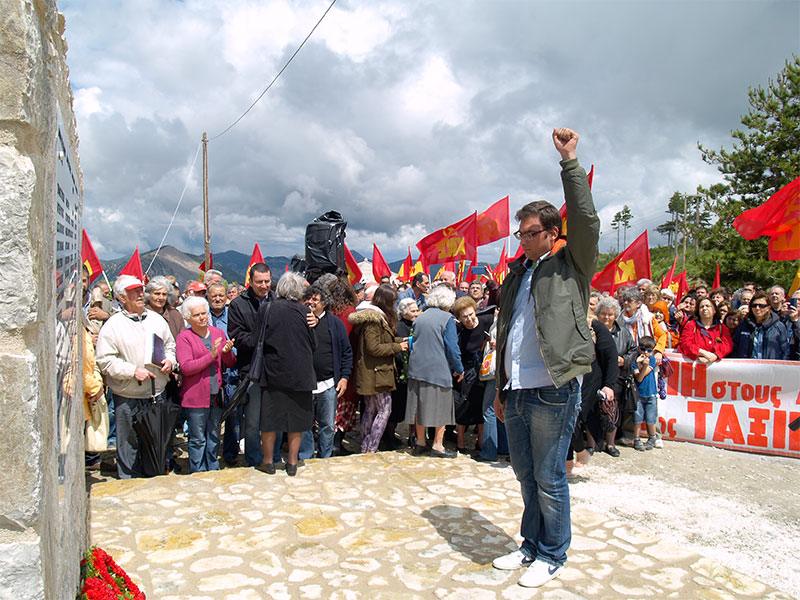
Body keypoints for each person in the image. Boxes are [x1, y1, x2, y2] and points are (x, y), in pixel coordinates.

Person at [491, 128, 599, 588]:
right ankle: (530, 545)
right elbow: (509, 331)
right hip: (516, 388)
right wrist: (500, 386)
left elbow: (589, 221)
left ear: (552, 232)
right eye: (520, 232)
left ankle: (553, 554)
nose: (523, 238)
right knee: (524, 474)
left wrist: (569, 161)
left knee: (550, 476)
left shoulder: (571, 263)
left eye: (530, 232)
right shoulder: (518, 271)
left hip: (554, 386)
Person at [95, 275, 176, 479]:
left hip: (156, 394)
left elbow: (170, 346)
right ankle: (128, 484)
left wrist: (170, 361)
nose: (140, 294)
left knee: (154, 443)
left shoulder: (157, 320)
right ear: (122, 297)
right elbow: (105, 360)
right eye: (134, 292)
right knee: (128, 444)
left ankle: (153, 482)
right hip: (127, 396)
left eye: (141, 290)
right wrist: (132, 371)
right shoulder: (113, 326)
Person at [255, 272, 317, 476]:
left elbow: (258, 338)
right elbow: (313, 343)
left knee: (269, 419)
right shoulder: (305, 312)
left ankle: (268, 461)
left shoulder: (267, 308)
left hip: (273, 372)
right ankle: (292, 462)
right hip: (301, 373)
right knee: (296, 421)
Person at [175, 297, 235, 473]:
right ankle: (198, 469)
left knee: (214, 435)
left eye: (204, 313)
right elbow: (186, 367)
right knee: (197, 438)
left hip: (216, 394)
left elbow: (229, 363)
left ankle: (212, 466)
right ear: (188, 318)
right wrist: (211, 355)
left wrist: (226, 352)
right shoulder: (184, 338)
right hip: (195, 396)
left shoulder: (217, 333)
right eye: (197, 315)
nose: (202, 318)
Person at [405, 284, 462, 458]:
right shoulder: (447, 319)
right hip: (438, 369)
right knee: (442, 407)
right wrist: (459, 368)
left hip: (417, 368)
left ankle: (420, 442)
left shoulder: (420, 317)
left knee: (419, 407)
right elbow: (452, 348)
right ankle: (438, 445)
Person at [349, 285, 408, 453]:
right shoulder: (374, 321)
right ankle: (371, 447)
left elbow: (384, 340)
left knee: (370, 410)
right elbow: (373, 348)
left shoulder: (375, 318)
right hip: (376, 372)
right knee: (384, 410)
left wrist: (402, 340)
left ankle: (365, 447)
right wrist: (398, 347)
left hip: (372, 372)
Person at [299, 285, 353, 459]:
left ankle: (325, 456)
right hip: (304, 383)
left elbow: (346, 352)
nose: (311, 302)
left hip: (328, 383)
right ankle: (306, 455)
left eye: (315, 299)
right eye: (308, 299)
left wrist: (344, 377)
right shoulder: (299, 321)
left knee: (328, 424)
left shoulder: (335, 323)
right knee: (305, 424)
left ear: (324, 303)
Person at [228, 262, 274, 467]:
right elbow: (236, 336)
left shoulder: (278, 300)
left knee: (274, 417)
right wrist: (262, 339)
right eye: (259, 282)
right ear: (251, 282)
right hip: (250, 369)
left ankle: (272, 456)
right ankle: (254, 458)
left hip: (275, 368)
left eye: (267, 281)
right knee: (253, 420)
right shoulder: (238, 304)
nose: (264, 285)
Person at [595, 296, 637, 454]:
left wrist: (624, 360)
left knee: (613, 410)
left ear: (616, 315)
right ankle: (594, 442)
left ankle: (610, 444)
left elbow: (633, 351)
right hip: (595, 376)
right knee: (593, 408)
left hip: (617, 377)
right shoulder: (592, 330)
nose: (607, 317)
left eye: (610, 314)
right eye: (604, 314)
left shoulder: (624, 333)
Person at [452, 296, 492, 454]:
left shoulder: (486, 321)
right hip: (466, 373)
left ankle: (480, 442)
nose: (469, 319)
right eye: (464, 317)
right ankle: (460, 442)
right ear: (459, 318)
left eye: (471, 314)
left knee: (481, 407)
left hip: (484, 371)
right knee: (464, 407)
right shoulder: (459, 330)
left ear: (476, 311)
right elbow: (456, 352)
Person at [207, 281, 241, 466]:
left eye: (221, 295)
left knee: (233, 417)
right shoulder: (204, 316)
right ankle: (210, 454)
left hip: (232, 373)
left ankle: (230, 452)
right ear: (208, 297)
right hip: (211, 373)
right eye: (214, 296)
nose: (218, 299)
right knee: (212, 417)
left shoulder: (233, 315)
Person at [386, 298, 419, 449]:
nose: (416, 313)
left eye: (417, 310)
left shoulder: (417, 325)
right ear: (404, 312)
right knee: (396, 407)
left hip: (414, 370)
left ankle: (414, 436)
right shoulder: (398, 327)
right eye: (413, 311)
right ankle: (389, 435)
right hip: (400, 372)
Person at [731, 291, 791, 360]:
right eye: (754, 305)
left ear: (768, 308)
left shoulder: (778, 326)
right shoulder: (743, 325)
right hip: (746, 368)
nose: (757, 308)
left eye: (761, 306)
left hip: (771, 368)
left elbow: (785, 351)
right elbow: (735, 347)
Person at [679, 297, 733, 363]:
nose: (704, 308)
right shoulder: (691, 325)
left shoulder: (722, 328)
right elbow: (685, 343)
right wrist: (703, 353)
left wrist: (715, 355)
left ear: (714, 310)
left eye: (707, 306)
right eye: (702, 307)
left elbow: (727, 345)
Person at [632, 335, 659, 451]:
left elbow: (642, 375)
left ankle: (652, 437)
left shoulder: (652, 360)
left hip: (651, 394)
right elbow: (639, 378)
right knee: (637, 418)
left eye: (649, 350)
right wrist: (639, 364)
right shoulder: (635, 360)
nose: (646, 353)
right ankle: (637, 439)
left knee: (651, 419)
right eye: (643, 349)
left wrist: (644, 365)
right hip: (638, 394)